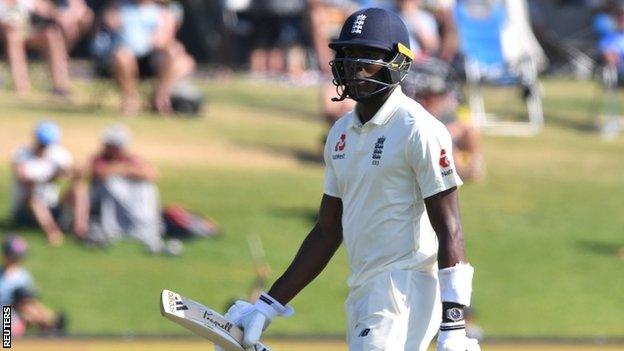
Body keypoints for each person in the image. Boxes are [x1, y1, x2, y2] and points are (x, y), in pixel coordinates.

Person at [219, 8, 479, 351]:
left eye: (368, 57)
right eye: (347, 55)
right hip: (363, 288)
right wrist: (268, 305)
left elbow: (450, 227)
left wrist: (454, 323)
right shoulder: (340, 134)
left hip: (405, 285)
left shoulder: (419, 129)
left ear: (397, 62)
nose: (355, 67)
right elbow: (327, 230)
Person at [85, 124, 182, 255]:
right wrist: (125, 169)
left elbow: (152, 174)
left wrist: (124, 170)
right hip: (100, 200)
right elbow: (101, 173)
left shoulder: (132, 159)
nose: (105, 146)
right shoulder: (99, 158)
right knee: (112, 184)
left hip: (131, 200)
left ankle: (144, 226)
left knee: (147, 188)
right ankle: (119, 229)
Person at [95, 0, 195, 115]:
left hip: (152, 59)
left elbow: (163, 40)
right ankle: (131, 100)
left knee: (181, 58)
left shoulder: (163, 11)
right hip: (123, 59)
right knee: (122, 54)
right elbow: (104, 30)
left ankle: (159, 98)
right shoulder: (117, 7)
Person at [401, 57, 485, 181]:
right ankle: (457, 174)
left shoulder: (448, 99)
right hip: (429, 135)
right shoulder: (416, 103)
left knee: (470, 130)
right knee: (445, 145)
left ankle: (474, 169)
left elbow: (463, 119)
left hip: (446, 129)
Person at [10, 121, 88, 246]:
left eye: (46, 144)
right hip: (25, 212)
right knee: (34, 199)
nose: (44, 147)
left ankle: (80, 231)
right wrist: (53, 176)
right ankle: (53, 233)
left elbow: (74, 175)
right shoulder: (21, 155)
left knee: (79, 189)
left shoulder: (60, 155)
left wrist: (77, 172)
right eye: (42, 143)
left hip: (52, 206)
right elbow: (24, 179)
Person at [0, 0, 72, 95]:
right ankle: (22, 87)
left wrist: (60, 14)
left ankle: (61, 86)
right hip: (6, 36)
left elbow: (48, 9)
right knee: (13, 37)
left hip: (26, 33)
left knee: (52, 35)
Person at [0, 235, 66, 338]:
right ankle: (50, 322)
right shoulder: (2, 274)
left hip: (20, 310)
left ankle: (49, 322)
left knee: (26, 301)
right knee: (13, 319)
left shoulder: (23, 274)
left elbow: (30, 300)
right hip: (5, 312)